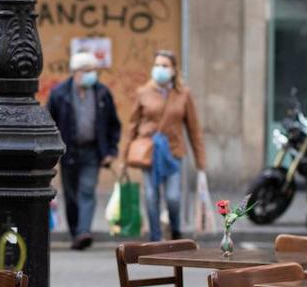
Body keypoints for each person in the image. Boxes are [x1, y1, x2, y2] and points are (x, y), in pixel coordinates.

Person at [120, 50, 207, 241]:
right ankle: (155, 237)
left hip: (173, 152)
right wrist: (124, 158)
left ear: (174, 70)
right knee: (151, 197)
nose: (160, 69)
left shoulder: (183, 94)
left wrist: (201, 163)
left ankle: (175, 232)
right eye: (157, 65)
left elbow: (194, 129)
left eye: (165, 66)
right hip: (149, 152)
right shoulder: (143, 92)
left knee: (173, 198)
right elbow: (132, 126)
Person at [47, 51, 121, 250]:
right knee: (71, 195)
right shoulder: (59, 94)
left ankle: (84, 232)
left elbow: (114, 124)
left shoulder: (102, 93)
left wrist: (110, 150)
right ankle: (76, 233)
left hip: (92, 151)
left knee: (87, 190)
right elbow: (48, 123)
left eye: (93, 70)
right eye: (86, 71)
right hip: (68, 152)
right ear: (75, 72)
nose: (91, 74)